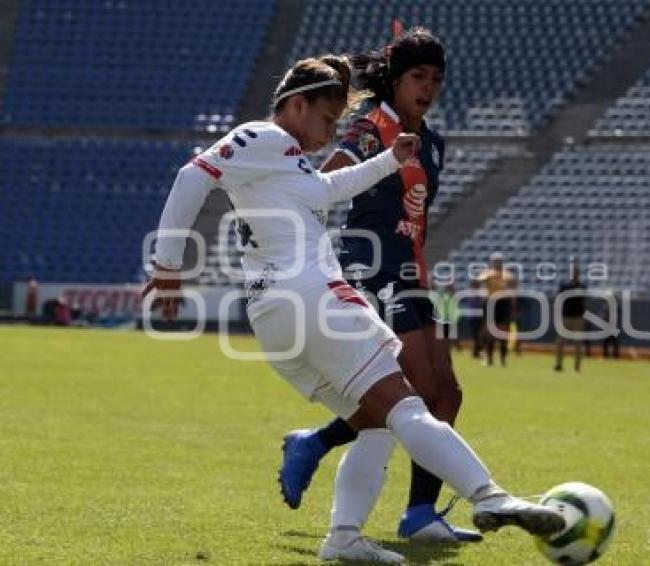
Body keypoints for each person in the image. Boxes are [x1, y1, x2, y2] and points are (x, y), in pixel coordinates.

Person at [143, 54, 564, 563]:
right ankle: (491, 497)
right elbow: (194, 175)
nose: (331, 132)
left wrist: (391, 159)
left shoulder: (286, 161)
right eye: (326, 118)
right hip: (312, 297)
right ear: (297, 105)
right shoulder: (265, 136)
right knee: (406, 405)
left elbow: (327, 188)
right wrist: (166, 266)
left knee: (376, 422)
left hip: (276, 318)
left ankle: (344, 536)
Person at [277, 28, 482, 544]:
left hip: (415, 272)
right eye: (418, 76)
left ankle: (419, 513)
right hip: (373, 270)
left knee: (449, 394)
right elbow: (322, 184)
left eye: (436, 78)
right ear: (394, 78)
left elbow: (417, 219)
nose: (429, 86)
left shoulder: (432, 142)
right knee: (420, 391)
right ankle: (320, 444)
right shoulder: (372, 128)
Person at [479, 252, 516, 367]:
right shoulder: (488, 274)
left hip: (503, 303)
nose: (497, 264)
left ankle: (502, 359)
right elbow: (480, 281)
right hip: (491, 303)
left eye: (499, 262)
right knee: (489, 332)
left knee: (503, 332)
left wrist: (513, 307)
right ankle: (489, 358)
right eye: (496, 262)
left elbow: (512, 290)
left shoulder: (507, 276)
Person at [554, 264, 586, 372]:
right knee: (560, 342)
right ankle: (558, 364)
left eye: (576, 272)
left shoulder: (582, 286)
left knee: (577, 343)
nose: (574, 274)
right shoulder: (564, 286)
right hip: (566, 317)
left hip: (577, 317)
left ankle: (577, 366)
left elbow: (584, 302)